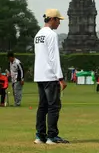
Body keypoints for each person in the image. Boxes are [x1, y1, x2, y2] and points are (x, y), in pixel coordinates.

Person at [33, 9, 69, 144]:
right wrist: (60, 78)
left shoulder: (38, 34)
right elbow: (54, 58)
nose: (59, 23)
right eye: (58, 20)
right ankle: (52, 136)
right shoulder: (51, 35)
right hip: (50, 76)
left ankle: (39, 135)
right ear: (52, 19)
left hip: (39, 75)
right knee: (54, 106)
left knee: (42, 106)